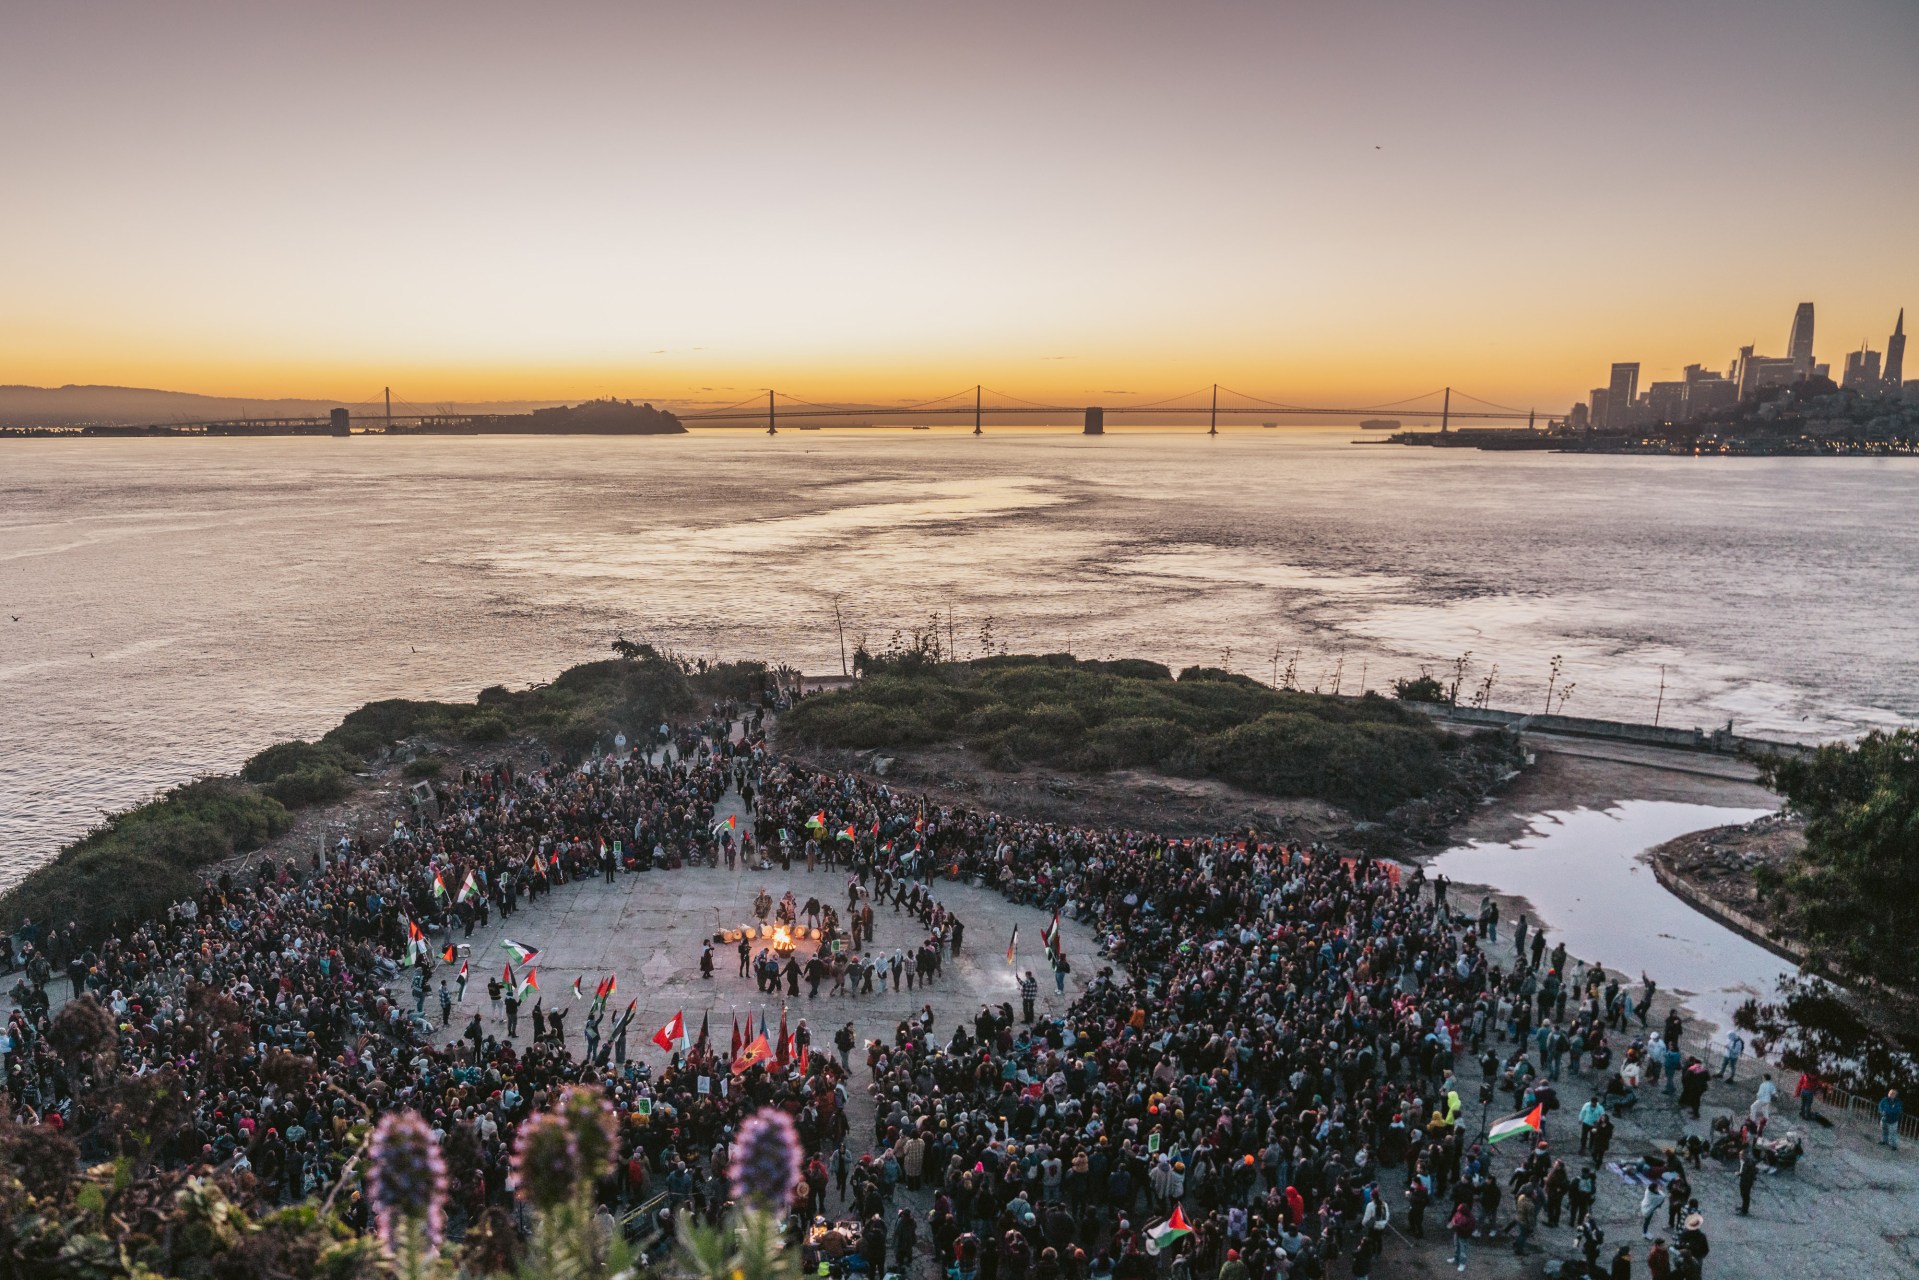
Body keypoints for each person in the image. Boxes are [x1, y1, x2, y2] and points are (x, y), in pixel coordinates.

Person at [1737, 1147, 1758, 1215]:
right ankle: (1744, 1207)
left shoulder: (1748, 1163)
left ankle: (1744, 1210)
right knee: (1744, 1194)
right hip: (1746, 1180)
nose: (1739, 1156)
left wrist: (1739, 1174)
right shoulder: (1747, 1161)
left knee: (1745, 1195)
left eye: (1740, 1155)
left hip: (1746, 1181)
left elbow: (1746, 1173)